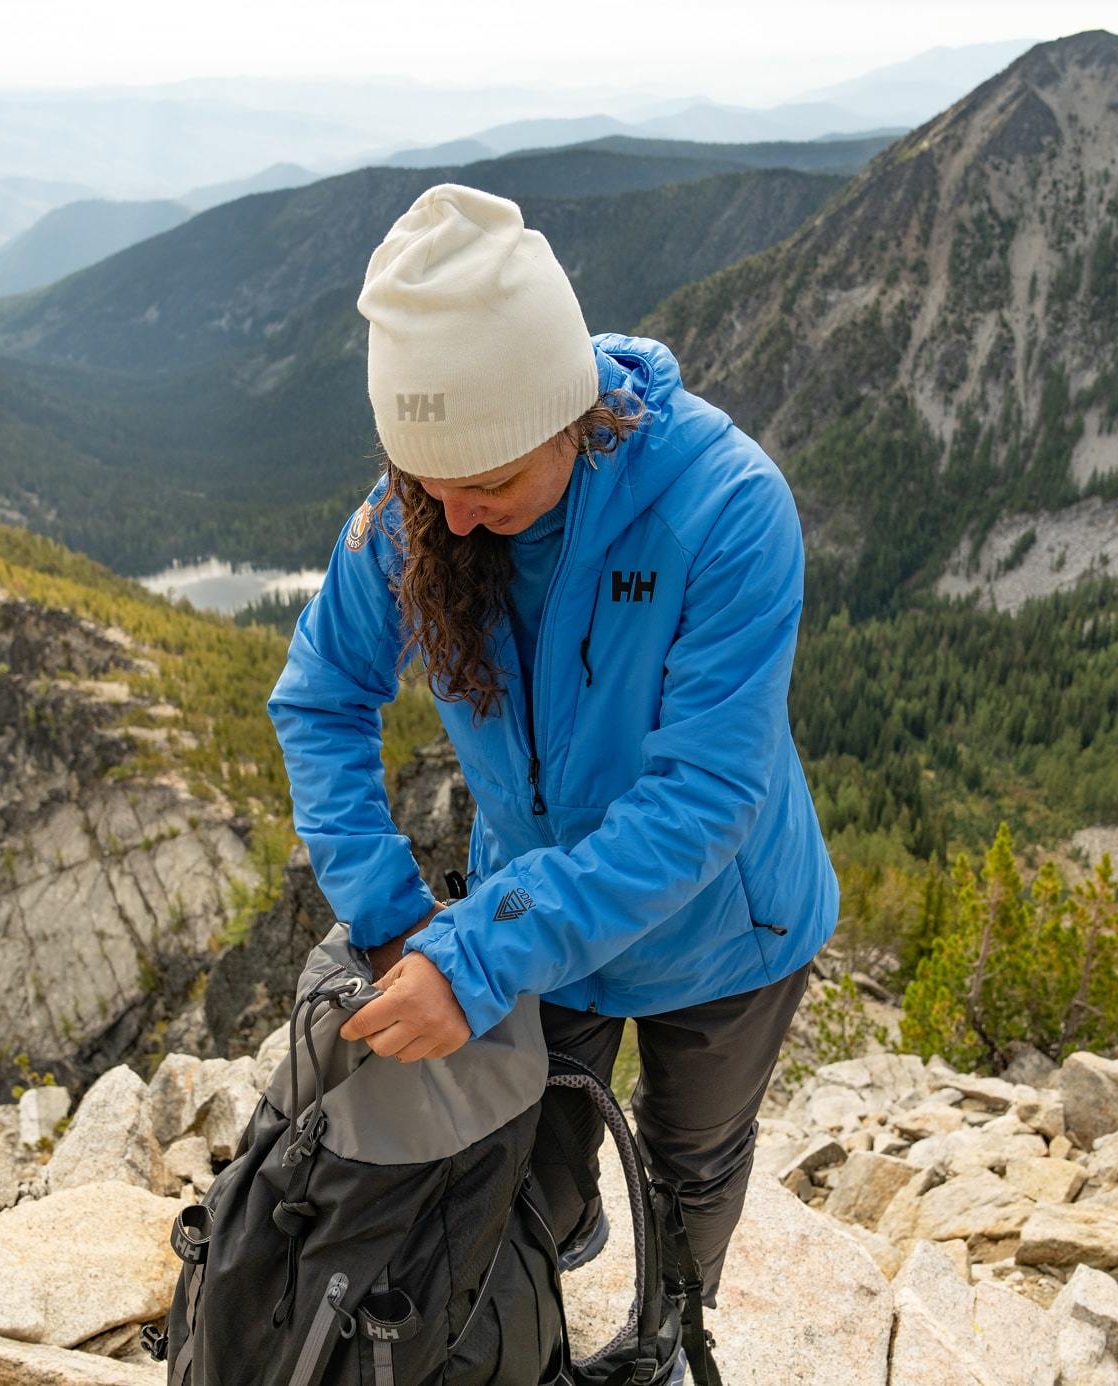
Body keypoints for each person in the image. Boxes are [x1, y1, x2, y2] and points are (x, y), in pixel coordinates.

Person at [266, 182, 839, 1382]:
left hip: (726, 937)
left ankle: (671, 1337)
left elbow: (703, 800)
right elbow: (319, 698)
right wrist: (392, 920)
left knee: (692, 1164)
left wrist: (473, 959)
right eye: (431, 484)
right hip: (537, 928)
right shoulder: (415, 514)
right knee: (531, 1168)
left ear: (568, 414)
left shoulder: (728, 509)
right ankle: (530, 1318)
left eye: (490, 484)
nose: (459, 523)